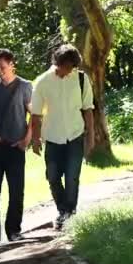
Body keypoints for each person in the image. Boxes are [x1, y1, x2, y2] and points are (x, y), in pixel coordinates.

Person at [31, 44, 95, 230]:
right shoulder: (43, 82)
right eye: (67, 66)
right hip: (52, 137)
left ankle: (68, 213)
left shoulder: (81, 79)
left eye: (73, 67)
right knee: (52, 176)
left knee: (72, 177)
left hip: (75, 135)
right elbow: (36, 114)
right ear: (57, 62)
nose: (69, 71)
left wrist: (90, 137)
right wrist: (35, 139)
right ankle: (62, 208)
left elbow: (88, 109)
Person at [0, 49, 33, 247]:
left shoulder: (25, 86)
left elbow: (34, 116)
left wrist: (27, 140)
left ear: (11, 64)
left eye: (2, 66)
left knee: (16, 190)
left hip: (16, 146)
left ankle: (14, 230)